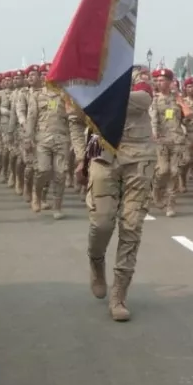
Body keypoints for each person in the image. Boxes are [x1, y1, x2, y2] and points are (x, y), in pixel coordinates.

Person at [73, 79, 156, 321]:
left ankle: (119, 294)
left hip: (138, 159)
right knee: (102, 223)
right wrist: (81, 158)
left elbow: (144, 98)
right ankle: (96, 260)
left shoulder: (136, 75)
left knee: (131, 226)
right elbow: (75, 120)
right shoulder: (90, 80)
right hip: (102, 155)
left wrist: (99, 95)